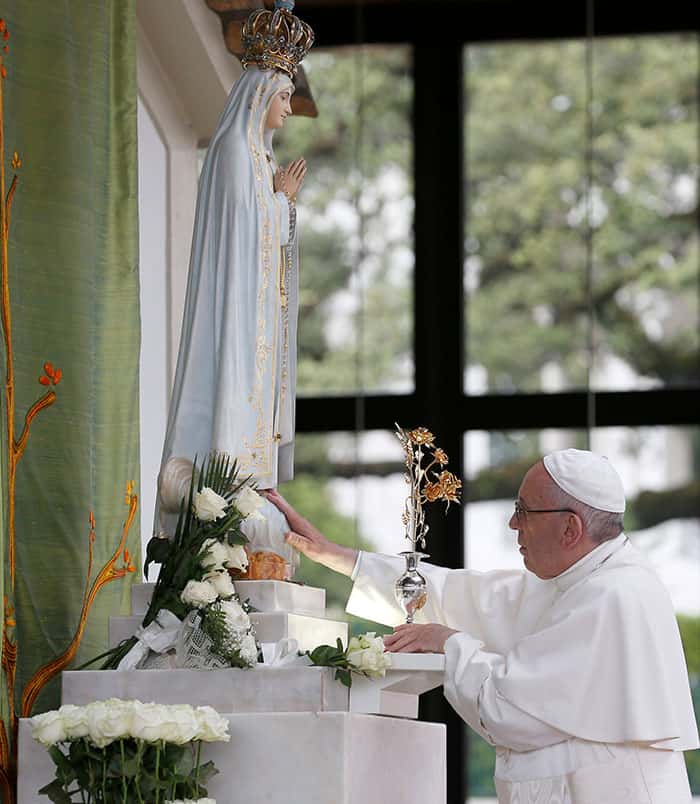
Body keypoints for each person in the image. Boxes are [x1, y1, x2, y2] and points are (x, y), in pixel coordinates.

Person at [266, 448, 699, 803]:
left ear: (570, 528)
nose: (513, 524)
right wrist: (339, 557)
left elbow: (511, 709)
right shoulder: (578, 580)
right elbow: (460, 594)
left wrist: (450, 644)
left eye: (524, 511)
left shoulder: (614, 595)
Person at [155, 2, 314, 566]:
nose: (289, 110)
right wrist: (280, 202)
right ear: (257, 94)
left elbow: (262, 236)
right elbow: (240, 235)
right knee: (231, 403)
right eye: (282, 97)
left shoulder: (256, 157)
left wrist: (277, 203)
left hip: (255, 322)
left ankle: (249, 491)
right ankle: (225, 499)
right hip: (235, 317)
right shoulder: (230, 152)